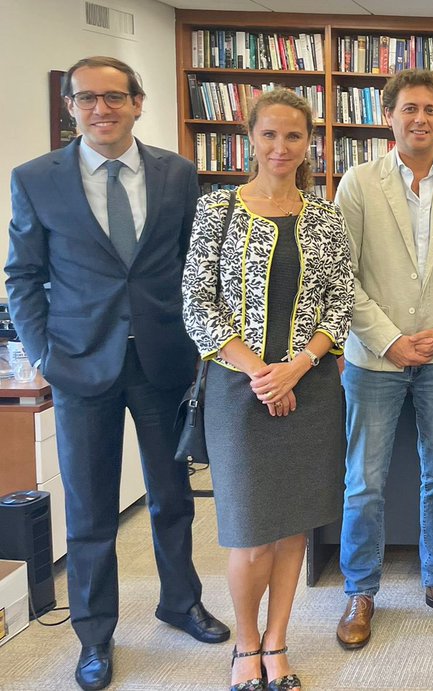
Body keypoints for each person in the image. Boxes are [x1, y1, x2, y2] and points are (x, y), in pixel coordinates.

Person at [5, 56, 229, 690]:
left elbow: (194, 264)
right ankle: (95, 634)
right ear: (71, 107)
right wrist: (44, 354)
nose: (100, 108)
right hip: (79, 365)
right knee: (91, 511)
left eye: (113, 97)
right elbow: (22, 277)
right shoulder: (35, 179)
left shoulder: (177, 173)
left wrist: (199, 344)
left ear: (138, 101)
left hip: (163, 360)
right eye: (86, 99)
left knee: (172, 498)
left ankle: (180, 602)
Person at [181, 88, 353, 691]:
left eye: (294, 136)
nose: (282, 147)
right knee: (251, 532)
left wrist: (296, 368)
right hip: (238, 393)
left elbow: (340, 305)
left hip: (309, 392)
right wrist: (261, 371)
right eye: (270, 134)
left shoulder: (324, 215)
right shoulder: (217, 210)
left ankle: (278, 642)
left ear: (309, 143)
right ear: (249, 136)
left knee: (294, 528)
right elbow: (198, 305)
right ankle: (245, 646)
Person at [334, 69, 433, 647]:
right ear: (389, 116)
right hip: (375, 358)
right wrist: (389, 339)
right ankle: (360, 590)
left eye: (429, 109)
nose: (419, 118)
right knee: (364, 482)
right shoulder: (357, 183)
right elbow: (340, 274)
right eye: (408, 109)